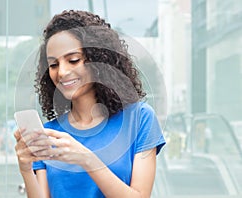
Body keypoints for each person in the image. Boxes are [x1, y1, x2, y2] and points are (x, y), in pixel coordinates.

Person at [14, 10, 166, 198]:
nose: (61, 72)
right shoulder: (51, 134)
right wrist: (26, 169)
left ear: (98, 59)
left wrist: (87, 160)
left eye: (73, 60)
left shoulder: (140, 119)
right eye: (53, 64)